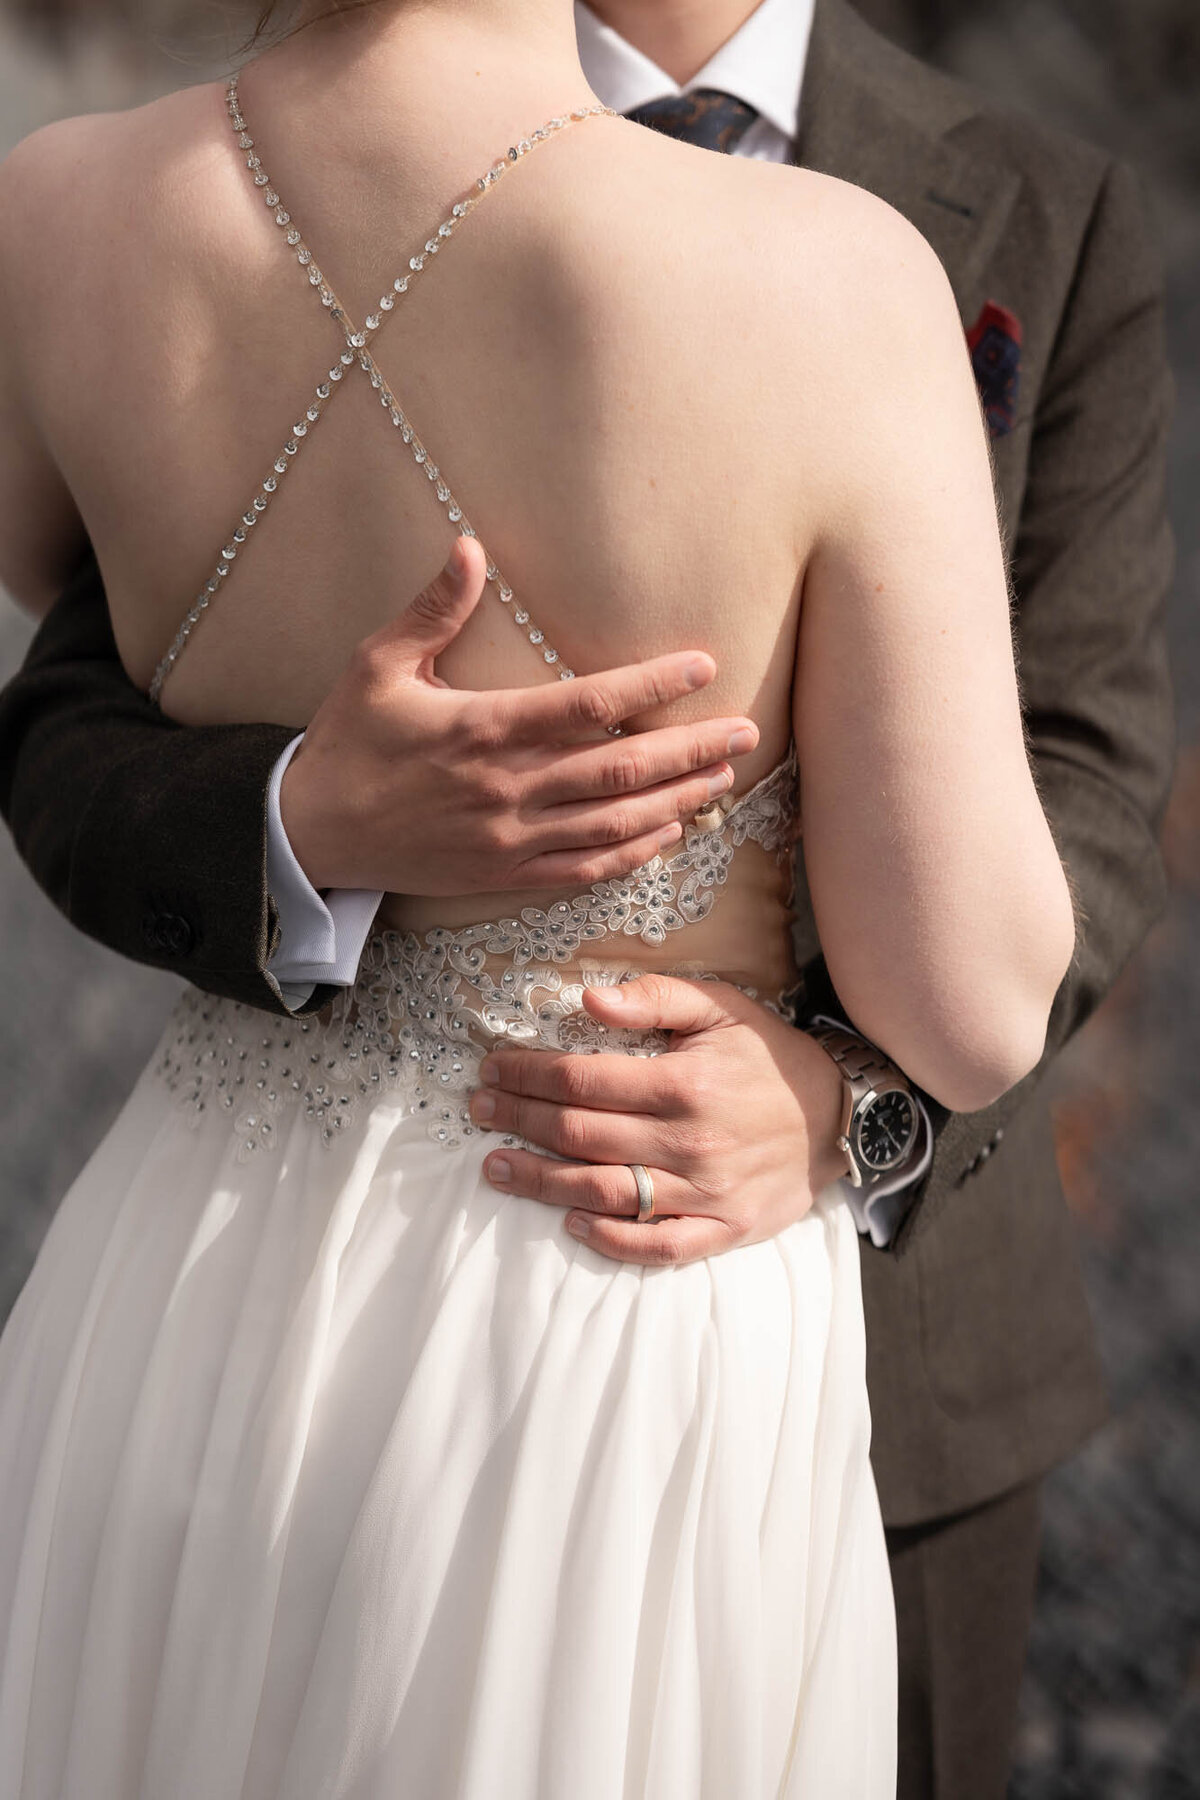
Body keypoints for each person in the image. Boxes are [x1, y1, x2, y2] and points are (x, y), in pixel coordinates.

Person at [0, 0, 1173, 1794]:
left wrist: (840, 1111)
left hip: (180, 1289)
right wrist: (303, 810)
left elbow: (56, 559)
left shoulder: (55, 210)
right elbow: (978, 994)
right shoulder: (843, 280)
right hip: (603, 1334)